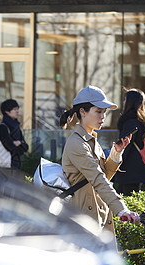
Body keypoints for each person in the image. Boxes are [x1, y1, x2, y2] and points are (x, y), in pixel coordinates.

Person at [60, 85, 140, 239]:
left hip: (97, 216)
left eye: (104, 112)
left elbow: (104, 176)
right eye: (98, 111)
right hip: (83, 220)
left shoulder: (91, 140)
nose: (103, 117)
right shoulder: (77, 143)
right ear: (82, 112)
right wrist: (121, 209)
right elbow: (98, 178)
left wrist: (116, 153)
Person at [114, 88, 145, 196]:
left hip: (129, 170)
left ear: (130, 102)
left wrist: (114, 162)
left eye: (125, 100)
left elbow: (125, 145)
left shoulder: (130, 122)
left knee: (126, 203)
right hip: (141, 168)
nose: (124, 102)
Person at [0, 99, 28, 170]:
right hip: (5, 165)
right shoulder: (3, 126)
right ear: (7, 111)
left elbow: (26, 147)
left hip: (15, 164)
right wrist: (19, 145)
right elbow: (9, 146)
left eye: (17, 109)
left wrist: (19, 143)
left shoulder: (16, 126)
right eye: (14, 109)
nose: (17, 111)